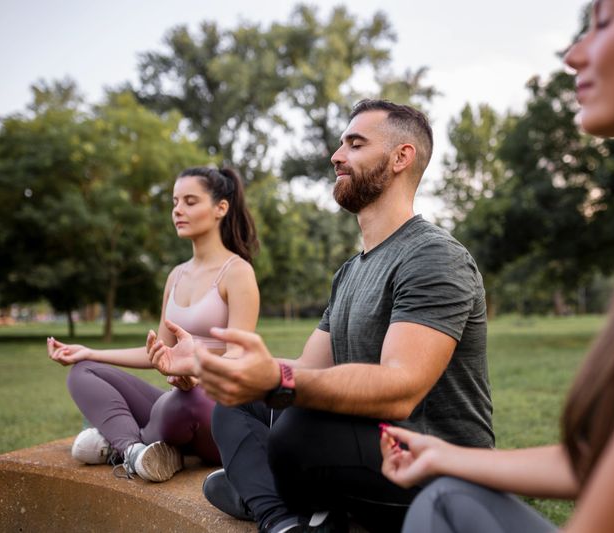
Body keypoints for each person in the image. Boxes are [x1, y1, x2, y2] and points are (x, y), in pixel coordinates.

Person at [379, 0, 614, 531]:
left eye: (603, 23)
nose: (574, 55)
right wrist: (443, 454)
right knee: (445, 496)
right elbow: (608, 459)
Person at [194, 100, 494, 533]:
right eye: (340, 144)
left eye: (355, 144)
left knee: (296, 431)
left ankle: (263, 490)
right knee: (235, 405)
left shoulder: (434, 256)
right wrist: (221, 366)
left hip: (436, 469)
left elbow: (401, 390)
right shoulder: (351, 272)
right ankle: (286, 521)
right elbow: (309, 369)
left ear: (400, 157)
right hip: (367, 445)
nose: (336, 156)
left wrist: (280, 382)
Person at [47, 167, 259, 483]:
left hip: (215, 408)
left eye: (190, 201)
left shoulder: (237, 272)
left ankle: (117, 443)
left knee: (182, 402)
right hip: (177, 400)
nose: (178, 210)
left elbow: (240, 358)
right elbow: (158, 354)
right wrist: (89, 351)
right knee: (83, 371)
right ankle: (136, 451)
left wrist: (196, 369)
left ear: (221, 208)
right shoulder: (176, 276)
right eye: (175, 202)